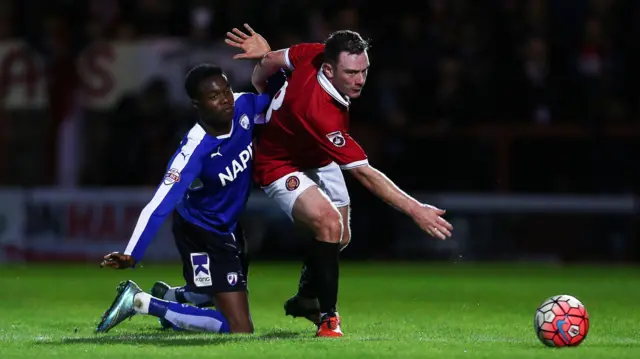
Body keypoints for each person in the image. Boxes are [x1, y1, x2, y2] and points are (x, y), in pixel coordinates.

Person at [225, 24, 454, 337]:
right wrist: (416, 210)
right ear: (330, 70)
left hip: (317, 155)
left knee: (340, 238)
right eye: (351, 73)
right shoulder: (319, 112)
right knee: (330, 226)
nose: (359, 80)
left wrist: (263, 90)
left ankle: (305, 297)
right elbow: (365, 174)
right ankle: (328, 318)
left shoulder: (316, 52)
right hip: (280, 163)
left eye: (364, 70)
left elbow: (268, 62)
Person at [95, 63, 284, 334]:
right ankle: (140, 302)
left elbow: (279, 91)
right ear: (197, 104)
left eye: (227, 90)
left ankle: (175, 296)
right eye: (214, 96)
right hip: (202, 232)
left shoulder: (244, 106)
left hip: (228, 226)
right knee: (239, 328)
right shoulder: (194, 150)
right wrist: (131, 254)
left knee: (215, 292)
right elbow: (160, 204)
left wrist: (272, 59)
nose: (226, 99)